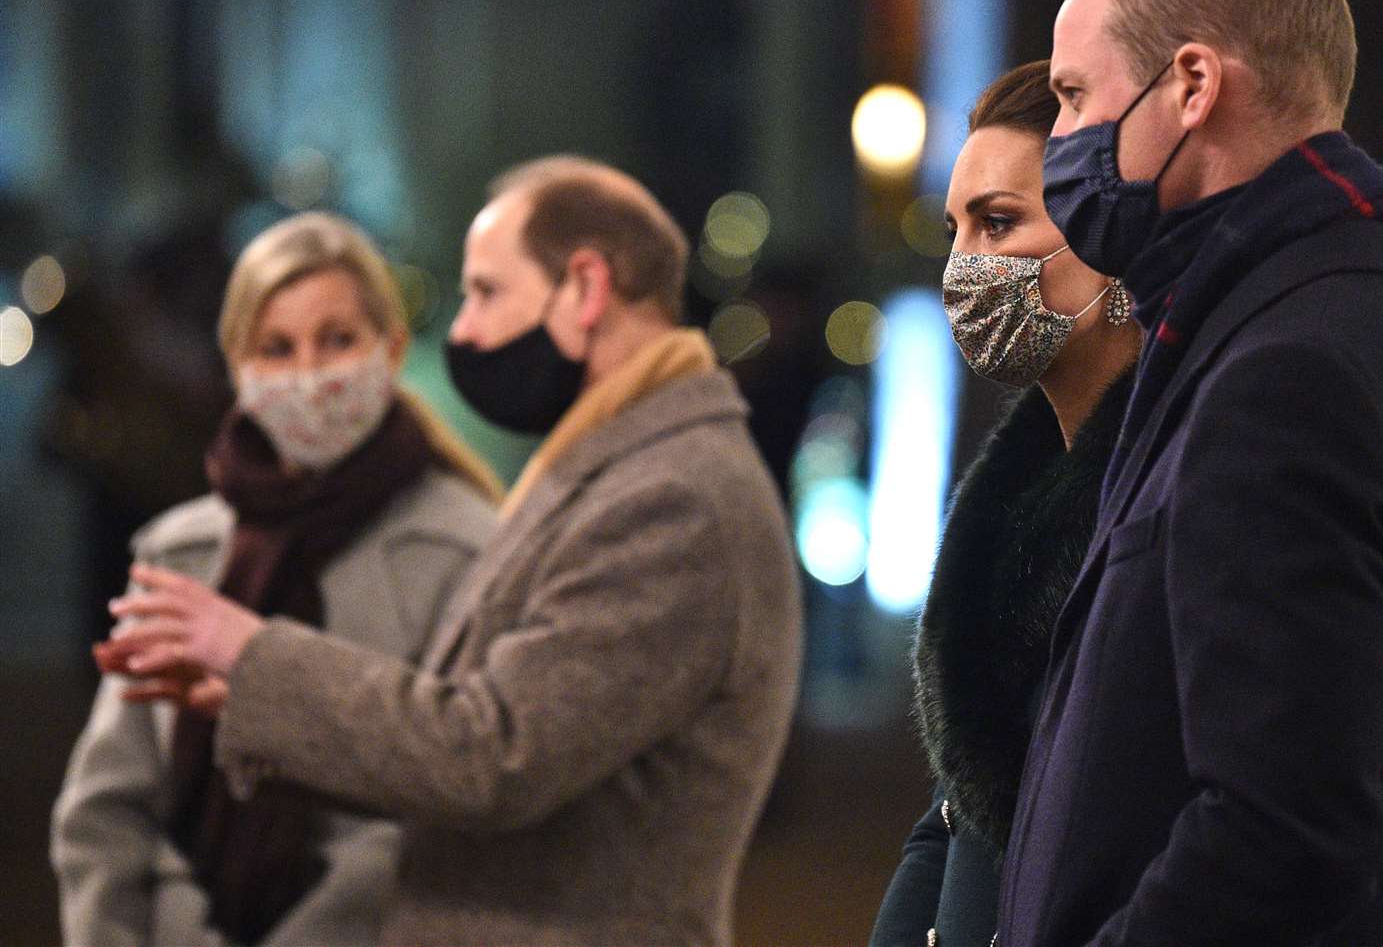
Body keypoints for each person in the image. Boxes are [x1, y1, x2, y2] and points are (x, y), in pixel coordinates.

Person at [104, 155, 804, 946]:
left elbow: (491, 756)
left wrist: (251, 650)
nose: (465, 329)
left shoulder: (671, 499)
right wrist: (255, 697)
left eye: (486, 291)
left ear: (586, 287)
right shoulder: (622, 468)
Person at [994, 0, 1383, 945]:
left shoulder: (1281, 378)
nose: (1058, 144)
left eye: (1073, 96)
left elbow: (1286, 831)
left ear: (1192, 84)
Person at [52, 213, 501, 947]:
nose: (310, 375)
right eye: (277, 348)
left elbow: (442, 812)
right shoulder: (182, 554)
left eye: (337, 340)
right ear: (239, 370)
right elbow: (108, 808)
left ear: (389, 350)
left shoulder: (462, 551)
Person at [868, 60, 1139, 947]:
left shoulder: (1163, 484)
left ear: (1108, 231)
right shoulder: (1014, 491)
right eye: (955, 231)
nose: (963, 268)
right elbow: (956, 814)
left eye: (999, 223)